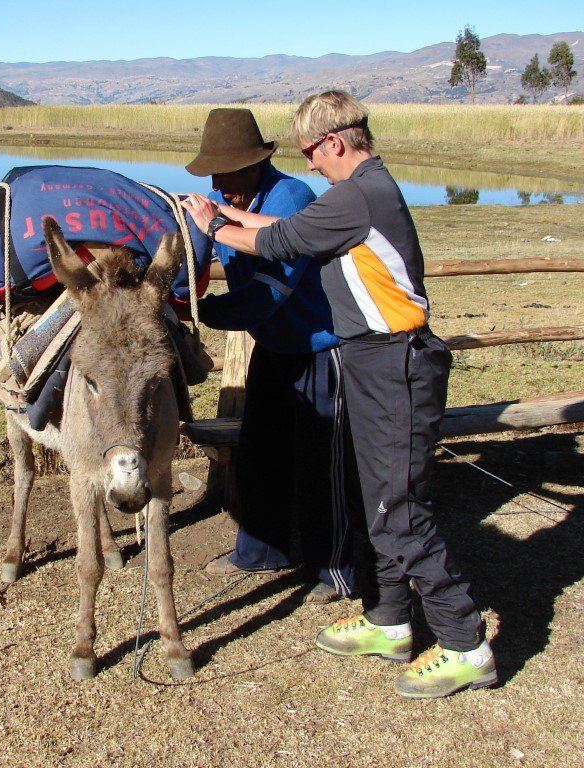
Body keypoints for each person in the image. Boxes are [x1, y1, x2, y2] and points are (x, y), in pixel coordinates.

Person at [181, 91, 496, 699]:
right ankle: (389, 620)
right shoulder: (361, 195)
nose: (310, 167)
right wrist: (226, 214)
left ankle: (464, 644)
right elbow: (290, 229)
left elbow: (276, 246)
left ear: (333, 142)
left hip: (395, 363)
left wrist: (214, 225)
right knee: (378, 499)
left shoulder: (356, 194)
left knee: (399, 511)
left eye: (310, 154)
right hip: (373, 360)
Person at [186, 107, 355, 603]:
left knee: (323, 463)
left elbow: (268, 293)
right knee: (260, 453)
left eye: (228, 171)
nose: (220, 184)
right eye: (214, 173)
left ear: (255, 163)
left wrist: (201, 313)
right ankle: (262, 551)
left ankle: (336, 569)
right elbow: (194, 252)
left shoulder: (293, 200)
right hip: (275, 348)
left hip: (320, 350)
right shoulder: (222, 200)